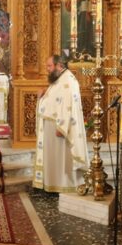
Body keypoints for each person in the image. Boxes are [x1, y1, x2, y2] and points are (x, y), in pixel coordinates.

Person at [33, 55, 89, 192]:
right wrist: (45, 93)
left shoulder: (68, 81)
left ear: (59, 65)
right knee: (54, 159)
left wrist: (62, 127)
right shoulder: (60, 78)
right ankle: (52, 184)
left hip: (60, 128)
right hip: (53, 125)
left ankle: (63, 185)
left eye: (49, 66)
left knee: (61, 160)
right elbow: (56, 98)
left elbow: (68, 106)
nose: (47, 69)